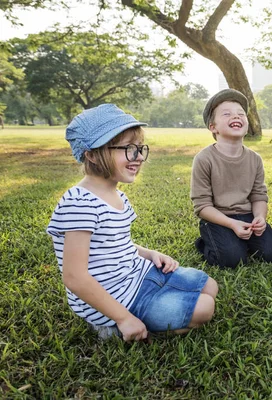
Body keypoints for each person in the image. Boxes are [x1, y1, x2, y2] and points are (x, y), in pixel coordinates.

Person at [47, 104, 217, 342]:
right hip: (115, 298)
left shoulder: (117, 195)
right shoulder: (79, 203)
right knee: (204, 308)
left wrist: (150, 253)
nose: (137, 157)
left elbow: (114, 244)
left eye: (139, 148)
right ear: (92, 154)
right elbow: (74, 276)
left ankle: (153, 303)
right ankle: (115, 327)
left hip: (137, 274)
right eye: (127, 148)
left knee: (210, 287)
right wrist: (123, 317)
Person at [191, 89, 272, 268]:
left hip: (247, 215)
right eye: (227, 114)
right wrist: (232, 224)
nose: (236, 116)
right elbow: (202, 206)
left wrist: (259, 218)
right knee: (232, 260)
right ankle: (206, 242)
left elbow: (258, 195)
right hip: (218, 218)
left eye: (241, 114)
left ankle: (239, 241)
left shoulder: (254, 159)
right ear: (213, 127)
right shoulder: (204, 159)